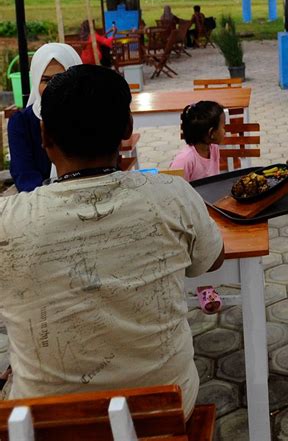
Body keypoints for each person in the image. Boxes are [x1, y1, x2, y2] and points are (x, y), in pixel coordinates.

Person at [0, 65, 224, 418]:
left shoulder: (8, 221)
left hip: (47, 425)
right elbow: (212, 260)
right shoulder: (173, 196)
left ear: (44, 137)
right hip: (165, 413)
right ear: (127, 130)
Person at [170, 101, 226, 313]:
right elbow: (174, 192)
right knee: (200, 249)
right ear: (211, 133)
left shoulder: (213, 150)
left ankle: (211, 280)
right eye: (223, 126)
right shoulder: (185, 160)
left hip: (210, 211)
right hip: (190, 219)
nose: (225, 130)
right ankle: (204, 287)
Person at [8, 43, 82, 192]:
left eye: (61, 78)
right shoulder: (21, 123)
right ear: (35, 81)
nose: (54, 87)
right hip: (41, 202)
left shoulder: (90, 115)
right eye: (46, 80)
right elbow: (24, 175)